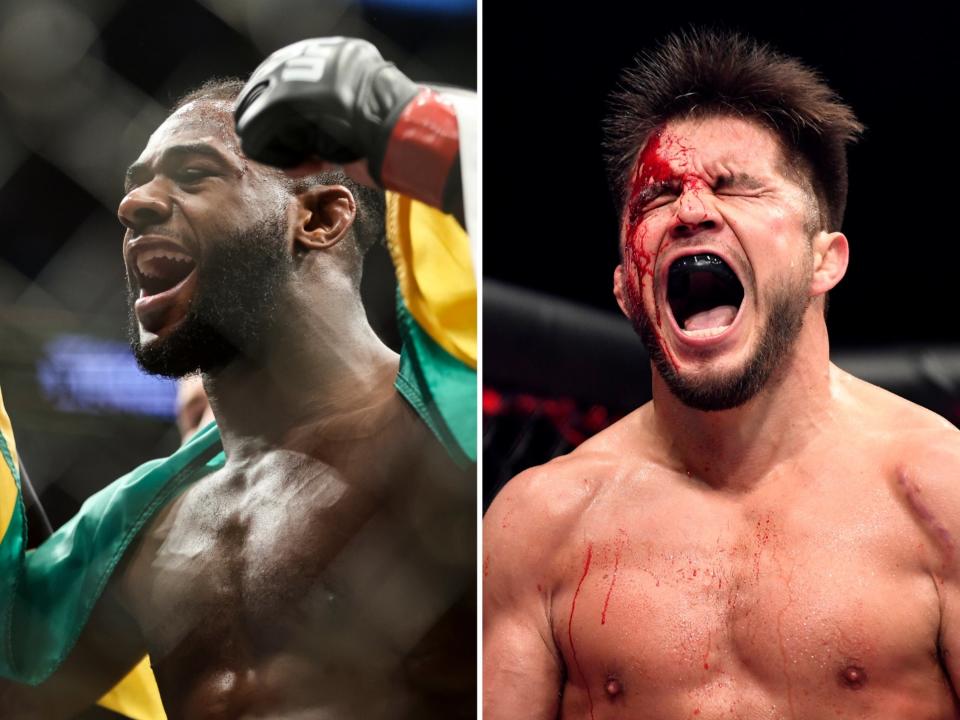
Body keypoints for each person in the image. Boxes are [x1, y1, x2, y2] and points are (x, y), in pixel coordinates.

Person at [483, 28, 960, 719]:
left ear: (824, 260)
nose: (692, 211)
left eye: (736, 188)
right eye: (656, 198)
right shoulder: (540, 527)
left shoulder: (940, 493)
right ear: (625, 289)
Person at [0, 36, 476, 719]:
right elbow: (12, 665)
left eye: (195, 174)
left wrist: (404, 124)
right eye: (134, 188)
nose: (131, 210)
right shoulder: (135, 525)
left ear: (317, 217)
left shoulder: (452, 417)